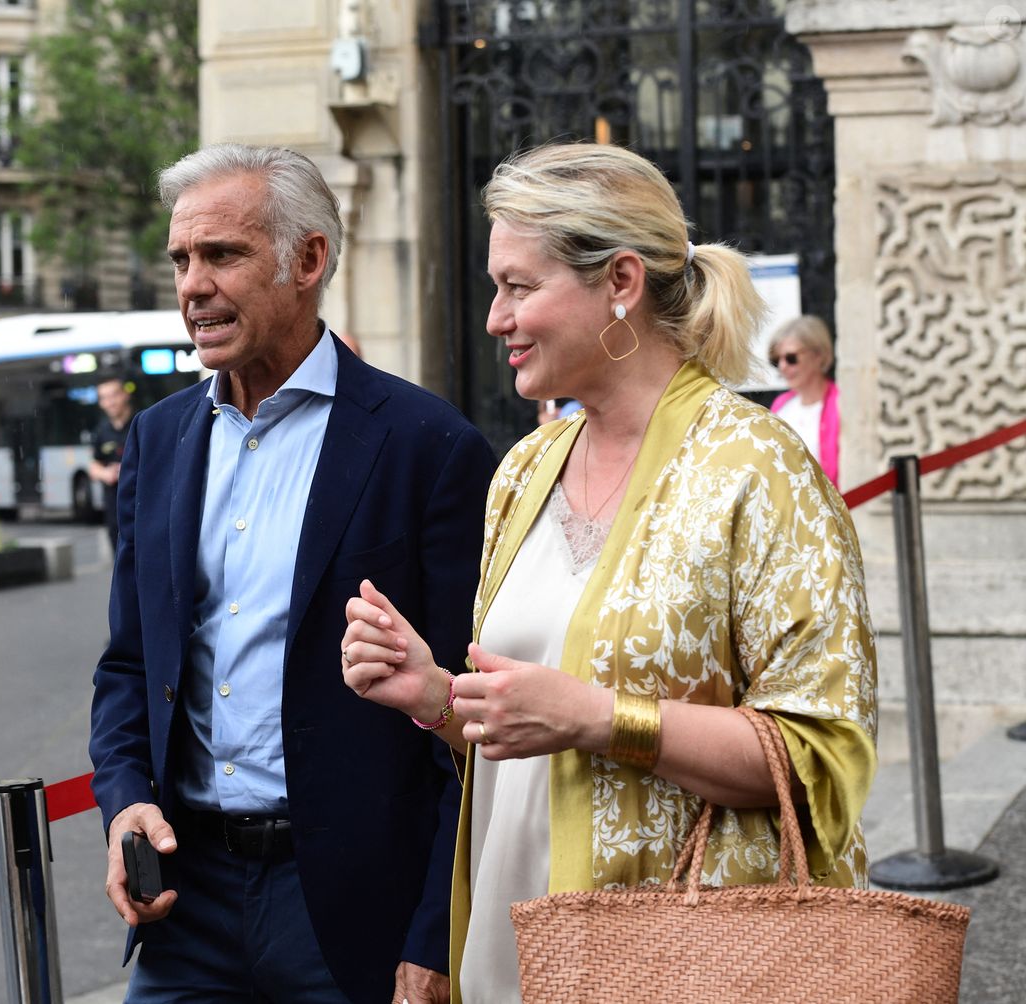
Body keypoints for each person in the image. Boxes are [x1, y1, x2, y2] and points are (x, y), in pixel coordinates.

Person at [341, 143, 877, 1004]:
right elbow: (527, 739)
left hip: (683, 967)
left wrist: (601, 718)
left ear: (620, 281)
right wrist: (438, 697)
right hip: (512, 950)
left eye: (519, 286)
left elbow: (825, 757)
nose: (494, 317)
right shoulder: (524, 468)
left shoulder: (758, 469)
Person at [88, 143, 496, 1004]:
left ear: (308, 260)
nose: (192, 284)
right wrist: (124, 799)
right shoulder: (158, 442)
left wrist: (435, 934)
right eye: (181, 260)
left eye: (223, 255)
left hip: (349, 917)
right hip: (182, 902)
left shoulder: (428, 446)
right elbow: (129, 666)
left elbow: (474, 725)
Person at [768, 314, 839, 485]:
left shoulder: (840, 404)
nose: (783, 367)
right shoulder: (781, 405)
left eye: (791, 358)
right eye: (777, 360)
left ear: (819, 355)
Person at [89, 376, 134, 550]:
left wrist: (129, 469)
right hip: (114, 507)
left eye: (114, 395)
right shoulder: (101, 431)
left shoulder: (143, 423)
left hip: (142, 503)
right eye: (104, 398)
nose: (110, 402)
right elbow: (94, 466)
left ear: (125, 394)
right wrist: (106, 474)